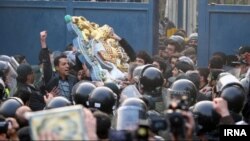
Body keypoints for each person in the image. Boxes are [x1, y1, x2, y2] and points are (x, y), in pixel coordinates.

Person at [39, 31, 78, 103]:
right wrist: (43, 41)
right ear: (56, 67)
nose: (67, 66)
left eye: (67, 64)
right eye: (63, 64)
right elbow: (47, 64)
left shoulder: (73, 79)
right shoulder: (51, 78)